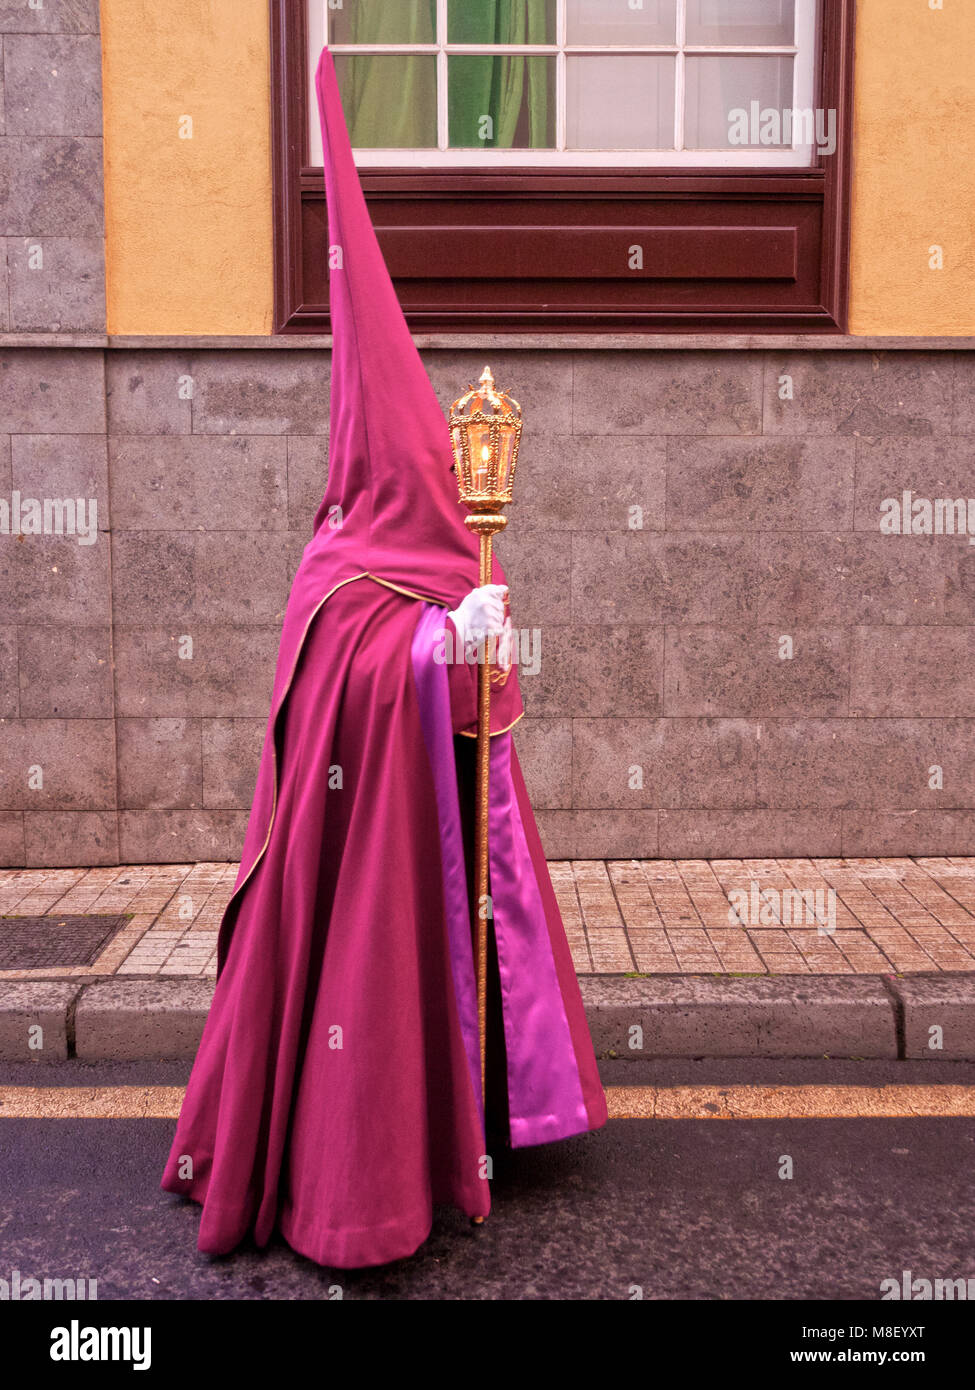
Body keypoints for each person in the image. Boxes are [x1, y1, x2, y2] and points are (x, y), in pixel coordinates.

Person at [160, 48, 607, 1270]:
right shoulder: (341, 558)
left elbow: (491, 720)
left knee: (484, 913)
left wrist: (482, 631)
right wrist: (430, 646)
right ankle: (353, 1175)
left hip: (441, 820)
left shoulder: (440, 546)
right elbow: (347, 679)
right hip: (359, 847)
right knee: (367, 971)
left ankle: (490, 1107)